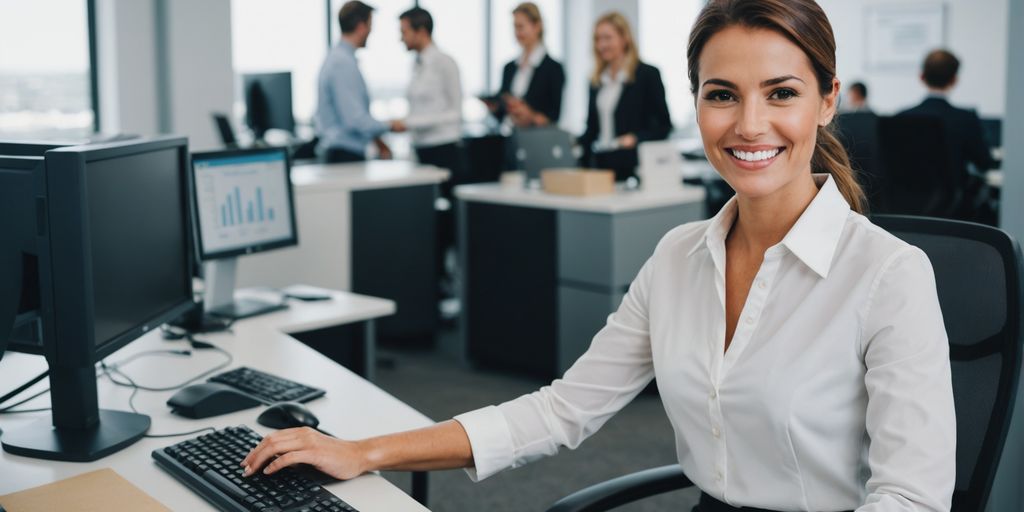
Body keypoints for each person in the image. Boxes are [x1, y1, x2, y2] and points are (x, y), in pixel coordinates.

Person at [242, 1, 956, 511]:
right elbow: (560, 411)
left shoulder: (888, 275)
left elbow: (911, 498)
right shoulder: (678, 257)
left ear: (827, 101)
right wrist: (363, 450)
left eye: (782, 93)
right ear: (696, 104)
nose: (749, 124)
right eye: (722, 95)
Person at [896, 49, 998, 220]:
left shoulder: (901, 118)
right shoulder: (965, 119)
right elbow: (984, 163)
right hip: (955, 214)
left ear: (921, 77)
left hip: (906, 210)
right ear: (954, 79)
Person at [576, 12, 671, 181]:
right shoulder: (596, 81)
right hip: (601, 166)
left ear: (624, 39)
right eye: (597, 39)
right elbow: (592, 129)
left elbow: (664, 126)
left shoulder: (647, 74)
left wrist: (635, 138)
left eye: (607, 38)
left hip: (633, 169)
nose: (601, 45)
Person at [390, 7, 466, 192]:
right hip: (421, 148)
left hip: (444, 148)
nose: (401, 38)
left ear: (422, 32)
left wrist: (410, 123)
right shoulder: (415, 65)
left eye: (404, 32)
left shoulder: (445, 63)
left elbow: (456, 113)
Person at [315, 1, 392, 163]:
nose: (371, 31)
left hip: (343, 151)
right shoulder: (342, 63)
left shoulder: (340, 59)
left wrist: (378, 140)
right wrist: (391, 125)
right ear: (361, 26)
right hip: (343, 154)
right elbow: (354, 120)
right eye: (370, 25)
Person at [485, 2, 565, 128]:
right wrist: (494, 107)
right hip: (509, 134)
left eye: (520, 26)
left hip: (536, 137)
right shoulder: (509, 68)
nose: (517, 32)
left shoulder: (553, 69)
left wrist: (530, 115)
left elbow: (554, 116)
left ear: (537, 26)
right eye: (514, 27)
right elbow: (501, 115)